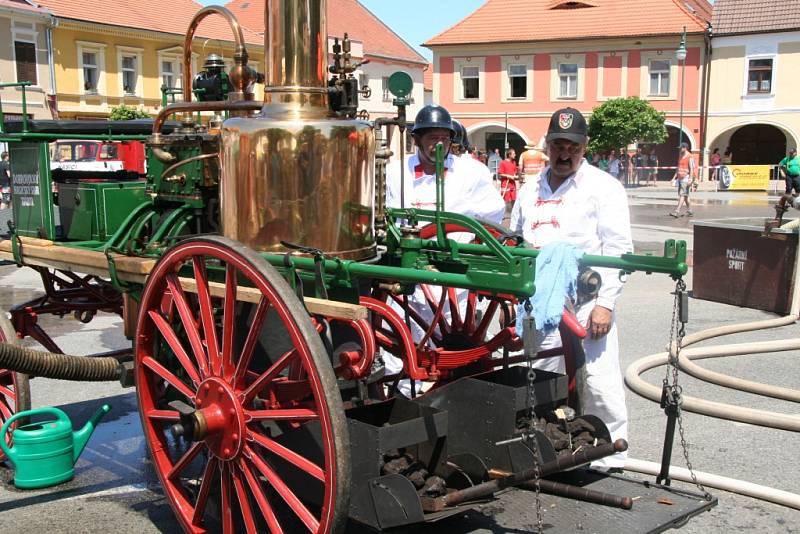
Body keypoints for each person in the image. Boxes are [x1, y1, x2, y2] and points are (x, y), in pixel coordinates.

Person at [509, 107, 633, 470]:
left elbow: (618, 250)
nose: (564, 154)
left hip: (585, 299)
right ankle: (549, 449)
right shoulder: (530, 188)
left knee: (598, 380)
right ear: (547, 146)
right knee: (540, 375)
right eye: (558, 145)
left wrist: (605, 304)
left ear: (585, 147)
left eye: (572, 147)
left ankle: (612, 458)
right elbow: (516, 238)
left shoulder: (604, 188)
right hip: (539, 301)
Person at [385, 105, 505, 396]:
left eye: (444, 137)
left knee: (455, 346)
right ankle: (400, 398)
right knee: (401, 348)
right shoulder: (396, 171)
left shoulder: (471, 172)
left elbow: (492, 218)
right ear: (417, 139)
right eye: (430, 137)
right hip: (409, 277)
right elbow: (386, 219)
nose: (438, 143)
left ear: (452, 140)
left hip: (455, 280)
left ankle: (455, 396)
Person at [670, 143, 697, 217]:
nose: (680, 149)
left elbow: (692, 168)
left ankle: (677, 211)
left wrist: (690, 179)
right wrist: (674, 178)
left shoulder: (690, 156)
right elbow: (678, 167)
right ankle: (690, 211)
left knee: (682, 195)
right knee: (685, 196)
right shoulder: (680, 155)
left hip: (686, 178)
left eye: (681, 148)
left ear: (685, 148)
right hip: (680, 177)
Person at [498, 148, 518, 215]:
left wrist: (516, 176)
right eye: (513, 153)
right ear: (509, 155)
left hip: (512, 184)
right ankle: (503, 214)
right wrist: (508, 176)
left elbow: (515, 172)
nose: (515, 155)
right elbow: (500, 173)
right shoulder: (503, 163)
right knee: (505, 200)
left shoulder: (514, 162)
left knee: (513, 199)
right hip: (505, 183)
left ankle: (513, 214)